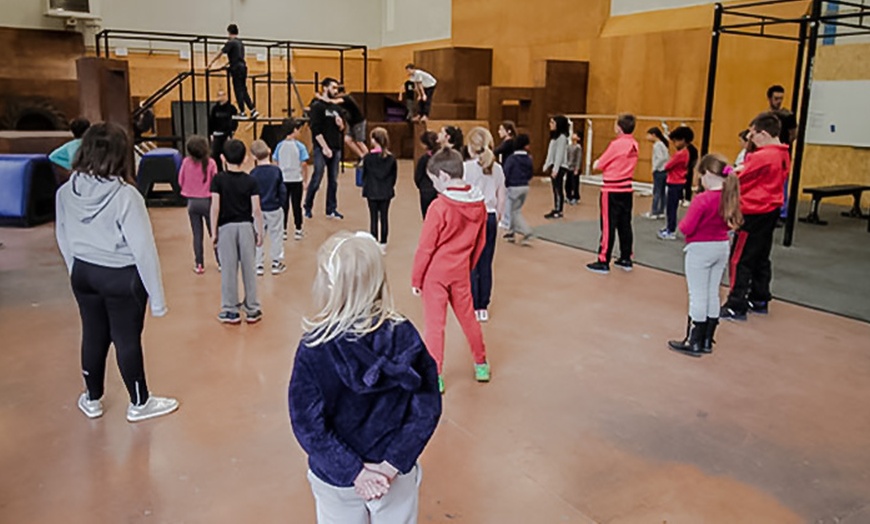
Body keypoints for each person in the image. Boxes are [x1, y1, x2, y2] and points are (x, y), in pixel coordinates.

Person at [289, 231, 442, 524]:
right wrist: (391, 464)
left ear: (328, 285)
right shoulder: (405, 334)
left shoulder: (314, 348)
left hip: (336, 477)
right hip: (394, 476)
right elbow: (427, 408)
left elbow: (307, 424)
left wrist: (354, 471)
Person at [55, 122, 178, 422]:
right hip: (122, 278)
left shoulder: (65, 191)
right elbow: (143, 250)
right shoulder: (127, 196)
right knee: (126, 339)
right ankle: (140, 403)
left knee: (93, 334)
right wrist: (157, 299)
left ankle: (92, 398)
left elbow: (63, 235)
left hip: (83, 272)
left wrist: (76, 269)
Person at [412, 148, 490, 393]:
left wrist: (417, 278)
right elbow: (481, 242)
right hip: (461, 272)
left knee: (435, 325)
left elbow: (426, 247)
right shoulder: (479, 204)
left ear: (443, 176)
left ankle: (435, 374)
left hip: (435, 275)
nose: (434, 185)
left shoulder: (439, 206)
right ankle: (481, 364)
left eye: (434, 180)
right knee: (469, 318)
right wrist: (469, 265)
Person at [668, 154, 743, 357]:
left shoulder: (703, 200)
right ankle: (707, 339)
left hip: (700, 248)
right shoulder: (729, 197)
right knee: (712, 292)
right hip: (721, 246)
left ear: (708, 174)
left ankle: (693, 340)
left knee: (697, 295)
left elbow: (686, 227)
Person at [721, 112, 791, 321]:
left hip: (754, 212)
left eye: (752, 134)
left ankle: (736, 303)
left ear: (762, 133)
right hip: (770, 211)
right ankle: (759, 297)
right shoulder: (783, 153)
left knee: (739, 259)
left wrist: (723, 170)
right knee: (760, 256)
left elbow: (737, 178)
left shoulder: (763, 156)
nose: (750, 139)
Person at [210, 139, 264, 324]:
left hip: (226, 228)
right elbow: (256, 209)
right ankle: (252, 309)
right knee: (249, 268)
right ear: (246, 158)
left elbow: (215, 207)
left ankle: (230, 310)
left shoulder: (218, 180)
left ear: (222, 158)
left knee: (228, 269)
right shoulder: (251, 181)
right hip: (246, 227)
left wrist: (213, 231)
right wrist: (260, 232)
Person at [586, 114, 639, 275]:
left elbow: (599, 164)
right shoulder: (634, 144)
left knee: (608, 225)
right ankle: (626, 257)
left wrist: (596, 163)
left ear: (619, 127)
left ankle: (603, 260)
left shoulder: (616, 144)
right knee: (625, 224)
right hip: (627, 188)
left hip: (612, 189)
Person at [464, 127, 506, 323]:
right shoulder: (497, 169)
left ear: (471, 147)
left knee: (471, 262)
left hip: (472, 217)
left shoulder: (466, 168)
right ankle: (483, 306)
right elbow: (501, 195)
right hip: (489, 216)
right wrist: (498, 215)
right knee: (486, 262)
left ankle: (472, 303)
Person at [178, 135, 219, 274]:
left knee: (197, 234)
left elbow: (180, 180)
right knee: (214, 232)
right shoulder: (211, 163)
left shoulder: (185, 162)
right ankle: (220, 262)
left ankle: (199, 264)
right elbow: (216, 182)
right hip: (208, 202)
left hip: (192, 202)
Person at [305, 77, 345, 220]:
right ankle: (307, 206)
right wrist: (325, 147)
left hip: (336, 147)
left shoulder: (336, 108)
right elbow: (315, 130)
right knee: (317, 177)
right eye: (333, 87)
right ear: (325, 88)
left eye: (336, 88)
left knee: (333, 180)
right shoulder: (317, 106)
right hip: (322, 148)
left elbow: (340, 128)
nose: (335, 91)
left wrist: (341, 125)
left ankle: (331, 209)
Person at [250, 140, 287, 276]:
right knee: (276, 234)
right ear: (269, 150)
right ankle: (276, 262)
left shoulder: (253, 174)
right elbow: (282, 190)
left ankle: (258, 264)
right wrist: (281, 204)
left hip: (258, 209)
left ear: (254, 156)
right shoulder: (276, 171)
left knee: (258, 235)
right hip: (274, 207)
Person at [207, 24, 258, 119]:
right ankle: (252, 109)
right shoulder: (240, 43)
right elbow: (236, 57)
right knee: (243, 89)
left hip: (236, 69)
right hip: (243, 67)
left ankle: (242, 112)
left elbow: (220, 53)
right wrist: (226, 65)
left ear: (229, 32)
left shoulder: (231, 42)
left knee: (238, 89)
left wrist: (211, 62)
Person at [361, 128, 398, 251]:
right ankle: (384, 242)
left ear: (374, 140)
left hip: (371, 191)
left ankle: (374, 241)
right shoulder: (391, 159)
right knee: (384, 217)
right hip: (386, 191)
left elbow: (364, 175)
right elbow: (394, 177)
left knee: (373, 218)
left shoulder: (368, 158)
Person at [274, 118, 309, 240]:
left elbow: (275, 161)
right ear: (294, 130)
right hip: (296, 179)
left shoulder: (279, 146)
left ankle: (283, 230)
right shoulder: (300, 146)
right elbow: (304, 164)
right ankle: (298, 229)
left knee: (284, 205)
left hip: (283, 180)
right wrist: (305, 179)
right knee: (296, 205)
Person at [766, 84, 797, 222]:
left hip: (782, 152)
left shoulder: (788, 116)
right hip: (768, 152)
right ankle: (769, 209)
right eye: (776, 98)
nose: (778, 101)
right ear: (769, 99)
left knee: (782, 182)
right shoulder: (767, 116)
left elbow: (793, 134)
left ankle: (782, 213)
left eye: (781, 98)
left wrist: (785, 145)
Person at [658, 126, 692, 241]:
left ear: (682, 140)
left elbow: (667, 166)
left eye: (676, 141)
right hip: (678, 182)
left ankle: (670, 230)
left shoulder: (680, 154)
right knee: (671, 207)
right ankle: (669, 228)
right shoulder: (685, 152)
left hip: (675, 183)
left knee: (671, 208)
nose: (675, 143)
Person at [502, 133, 534, 245]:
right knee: (514, 209)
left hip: (513, 187)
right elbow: (530, 174)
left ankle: (527, 231)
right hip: (525, 187)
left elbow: (506, 172)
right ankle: (511, 232)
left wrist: (504, 184)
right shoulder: (528, 159)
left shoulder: (512, 159)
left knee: (514, 212)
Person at [542, 115, 570, 219]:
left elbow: (559, 154)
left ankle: (559, 209)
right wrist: (547, 164)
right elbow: (551, 153)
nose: (550, 125)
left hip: (560, 166)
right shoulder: (554, 137)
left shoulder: (562, 138)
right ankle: (556, 207)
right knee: (555, 189)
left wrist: (556, 169)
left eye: (553, 123)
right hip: (554, 165)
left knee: (558, 188)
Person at [642, 127, 670, 220]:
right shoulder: (663, 144)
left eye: (648, 135)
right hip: (664, 170)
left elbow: (662, 158)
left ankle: (654, 211)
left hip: (659, 171)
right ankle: (661, 211)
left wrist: (655, 167)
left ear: (654, 135)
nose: (647, 137)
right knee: (662, 192)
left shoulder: (657, 145)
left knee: (657, 191)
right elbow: (666, 157)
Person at [495, 121, 517, 230]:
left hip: (509, 172)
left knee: (508, 196)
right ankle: (507, 219)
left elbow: (497, 151)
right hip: (507, 170)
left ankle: (507, 221)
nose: (499, 132)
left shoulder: (509, 143)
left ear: (508, 131)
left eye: (501, 129)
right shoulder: (507, 142)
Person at [208, 90, 239, 169]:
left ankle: (228, 168)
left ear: (226, 96)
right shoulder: (215, 109)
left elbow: (234, 122)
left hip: (226, 134)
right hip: (216, 135)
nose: (220, 97)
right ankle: (219, 170)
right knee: (216, 154)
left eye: (222, 95)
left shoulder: (231, 109)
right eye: (219, 95)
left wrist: (231, 133)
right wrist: (211, 133)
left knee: (227, 153)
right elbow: (211, 121)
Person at [414, 131, 439, 218]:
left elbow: (418, 176)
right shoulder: (440, 158)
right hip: (439, 190)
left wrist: (421, 186)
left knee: (427, 216)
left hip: (426, 190)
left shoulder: (424, 159)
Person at [566, 129, 583, 205]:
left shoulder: (578, 147)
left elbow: (578, 158)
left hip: (574, 168)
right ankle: (568, 196)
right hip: (569, 168)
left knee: (574, 184)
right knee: (568, 183)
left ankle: (575, 197)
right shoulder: (569, 146)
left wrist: (577, 168)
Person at [683, 131, 699, 206]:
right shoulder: (683, 148)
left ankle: (687, 199)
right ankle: (681, 198)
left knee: (688, 184)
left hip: (688, 167)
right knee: (682, 184)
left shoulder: (692, 149)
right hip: (683, 167)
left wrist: (690, 167)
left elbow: (694, 159)